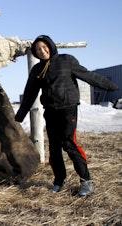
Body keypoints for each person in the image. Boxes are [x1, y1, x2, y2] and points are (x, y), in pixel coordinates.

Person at [15, 35, 118, 196]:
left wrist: (112, 87)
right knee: (54, 148)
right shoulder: (38, 70)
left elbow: (88, 75)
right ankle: (59, 181)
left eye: (44, 47)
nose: (42, 51)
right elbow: (30, 93)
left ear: (50, 46)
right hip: (50, 111)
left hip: (68, 109)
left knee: (69, 144)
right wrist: (19, 116)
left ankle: (86, 181)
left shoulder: (66, 60)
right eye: (38, 50)